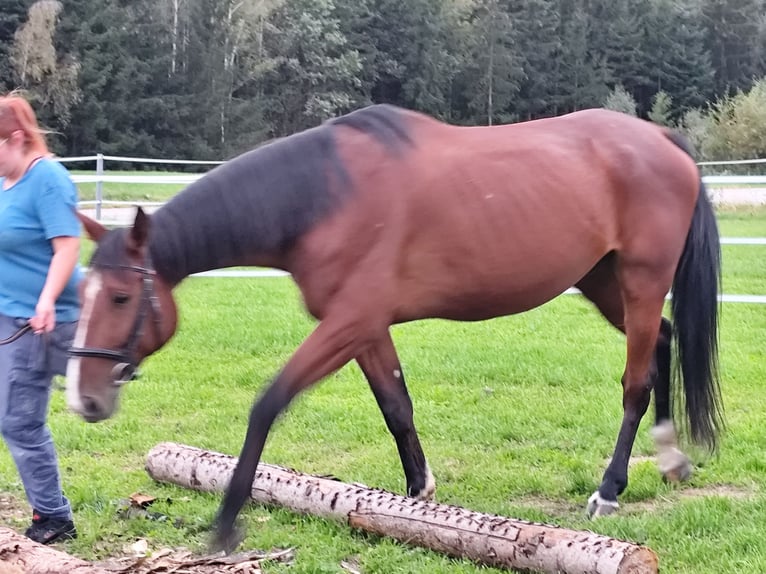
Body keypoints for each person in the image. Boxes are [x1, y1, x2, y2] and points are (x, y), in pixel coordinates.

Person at [0, 93, 82, 544]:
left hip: (55, 321)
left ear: (15, 138)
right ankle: (53, 515)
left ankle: (53, 517)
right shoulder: (3, 183)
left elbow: (67, 245)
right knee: (16, 419)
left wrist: (46, 299)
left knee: (26, 419)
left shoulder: (47, 177)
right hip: (12, 322)